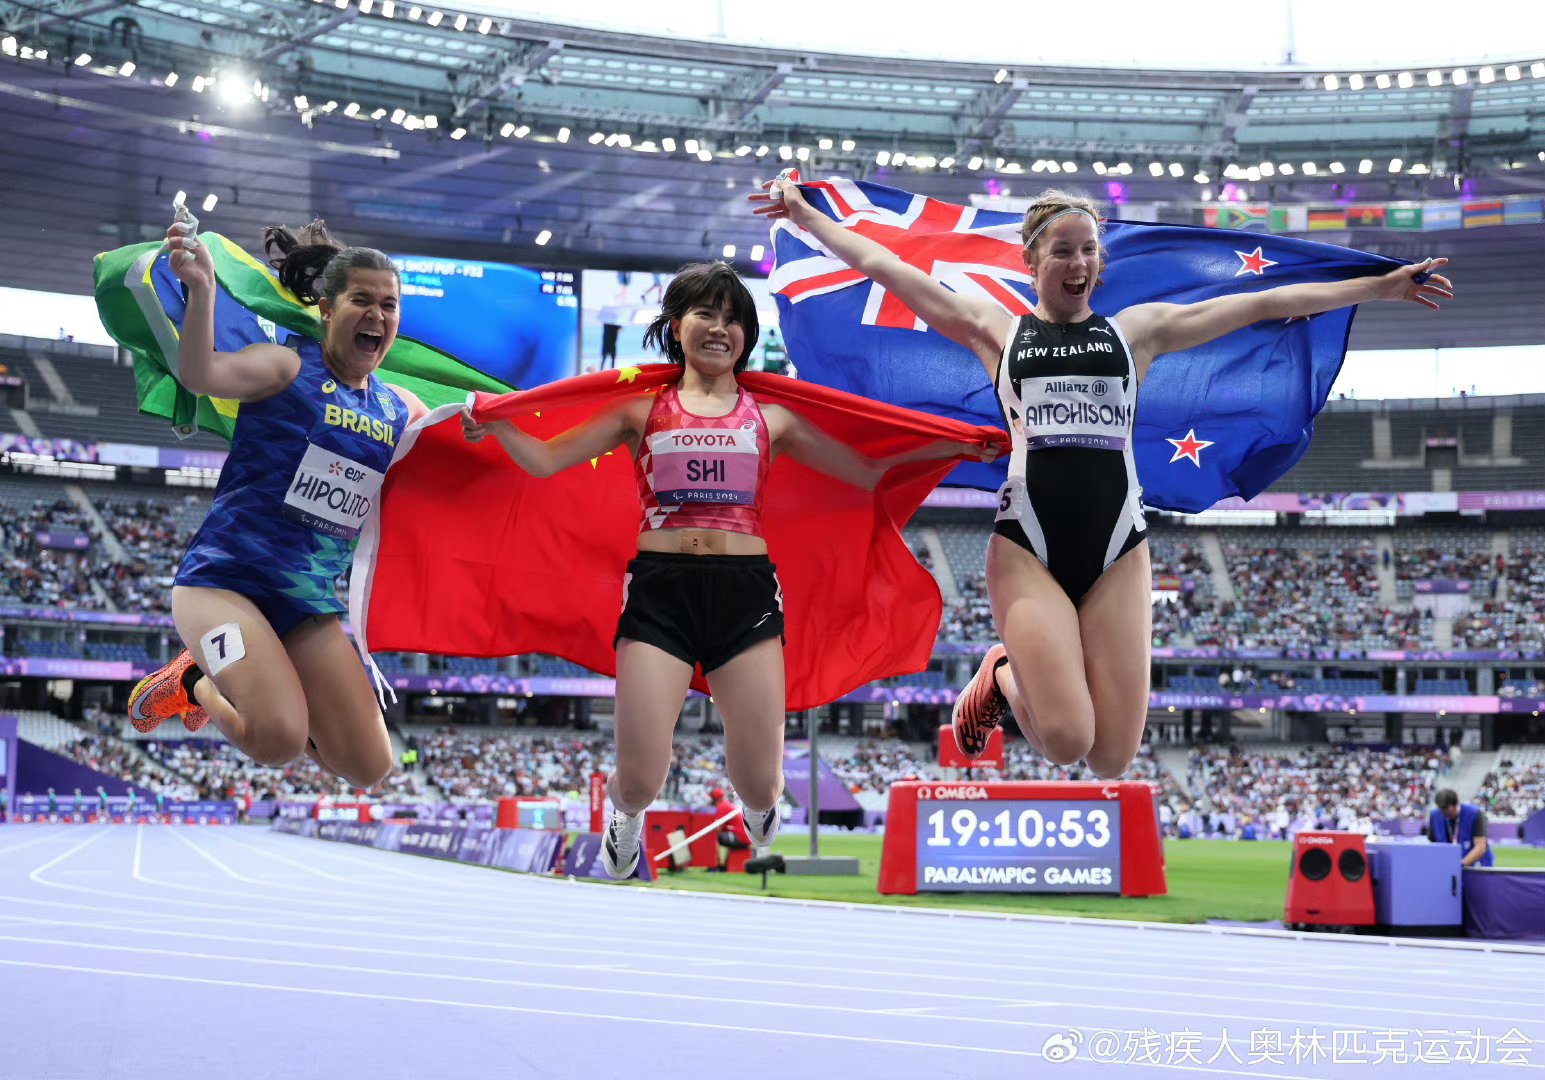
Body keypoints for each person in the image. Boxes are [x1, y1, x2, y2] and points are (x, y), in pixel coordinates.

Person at [753, 180, 1453, 778]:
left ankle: (1014, 675)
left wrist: (1382, 286)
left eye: (1088, 250)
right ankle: (1001, 672)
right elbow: (885, 265)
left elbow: (1259, 303)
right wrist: (807, 216)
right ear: (1033, 262)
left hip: (1120, 546)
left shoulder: (1135, 332)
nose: (1079, 262)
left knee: (1112, 758)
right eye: (1063, 251)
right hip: (1028, 546)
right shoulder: (996, 330)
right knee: (1065, 740)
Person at [463, 261, 989, 878]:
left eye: (734, 319)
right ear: (675, 325)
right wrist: (495, 425)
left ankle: (757, 802)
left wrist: (949, 445)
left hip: (746, 599)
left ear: (746, 336)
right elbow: (546, 461)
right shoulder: (640, 411)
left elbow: (868, 473)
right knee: (639, 777)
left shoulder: (772, 419)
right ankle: (625, 816)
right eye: (706, 314)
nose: (720, 328)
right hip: (660, 594)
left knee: (762, 783)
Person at [125, 207, 426, 791]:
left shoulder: (399, 410)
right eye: (362, 300)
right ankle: (194, 683)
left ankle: (247, 681)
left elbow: (468, 441)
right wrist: (202, 289)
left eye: (389, 305)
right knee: (278, 739)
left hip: (303, 601)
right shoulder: (287, 367)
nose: (377, 314)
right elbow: (202, 374)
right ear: (327, 308)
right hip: (223, 585)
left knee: (368, 766)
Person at [1429, 788, 1494, 868]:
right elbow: (1433, 844)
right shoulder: (1435, 816)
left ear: (1457, 803)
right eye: (1441, 809)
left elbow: (1480, 847)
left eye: (1447, 809)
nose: (1444, 813)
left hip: (1477, 867)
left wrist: (1460, 865)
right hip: (1449, 867)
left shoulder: (1475, 814)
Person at [710, 785, 753, 871]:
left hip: (741, 838)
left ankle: (714, 866)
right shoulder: (726, 804)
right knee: (714, 836)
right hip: (745, 837)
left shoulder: (722, 807)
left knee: (712, 837)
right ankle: (719, 865)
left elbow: (717, 828)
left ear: (715, 799)